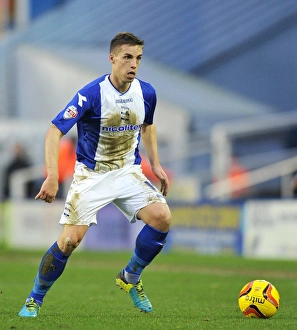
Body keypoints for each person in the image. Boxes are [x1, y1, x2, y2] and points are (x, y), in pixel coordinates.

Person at [18, 32, 171, 317]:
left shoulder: (147, 92)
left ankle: (130, 277)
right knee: (69, 241)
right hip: (92, 175)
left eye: (138, 58)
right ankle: (34, 299)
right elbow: (54, 132)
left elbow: (148, 126)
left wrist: (157, 165)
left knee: (162, 217)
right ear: (112, 58)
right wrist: (52, 176)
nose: (133, 64)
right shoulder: (91, 94)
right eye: (127, 57)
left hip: (128, 172)